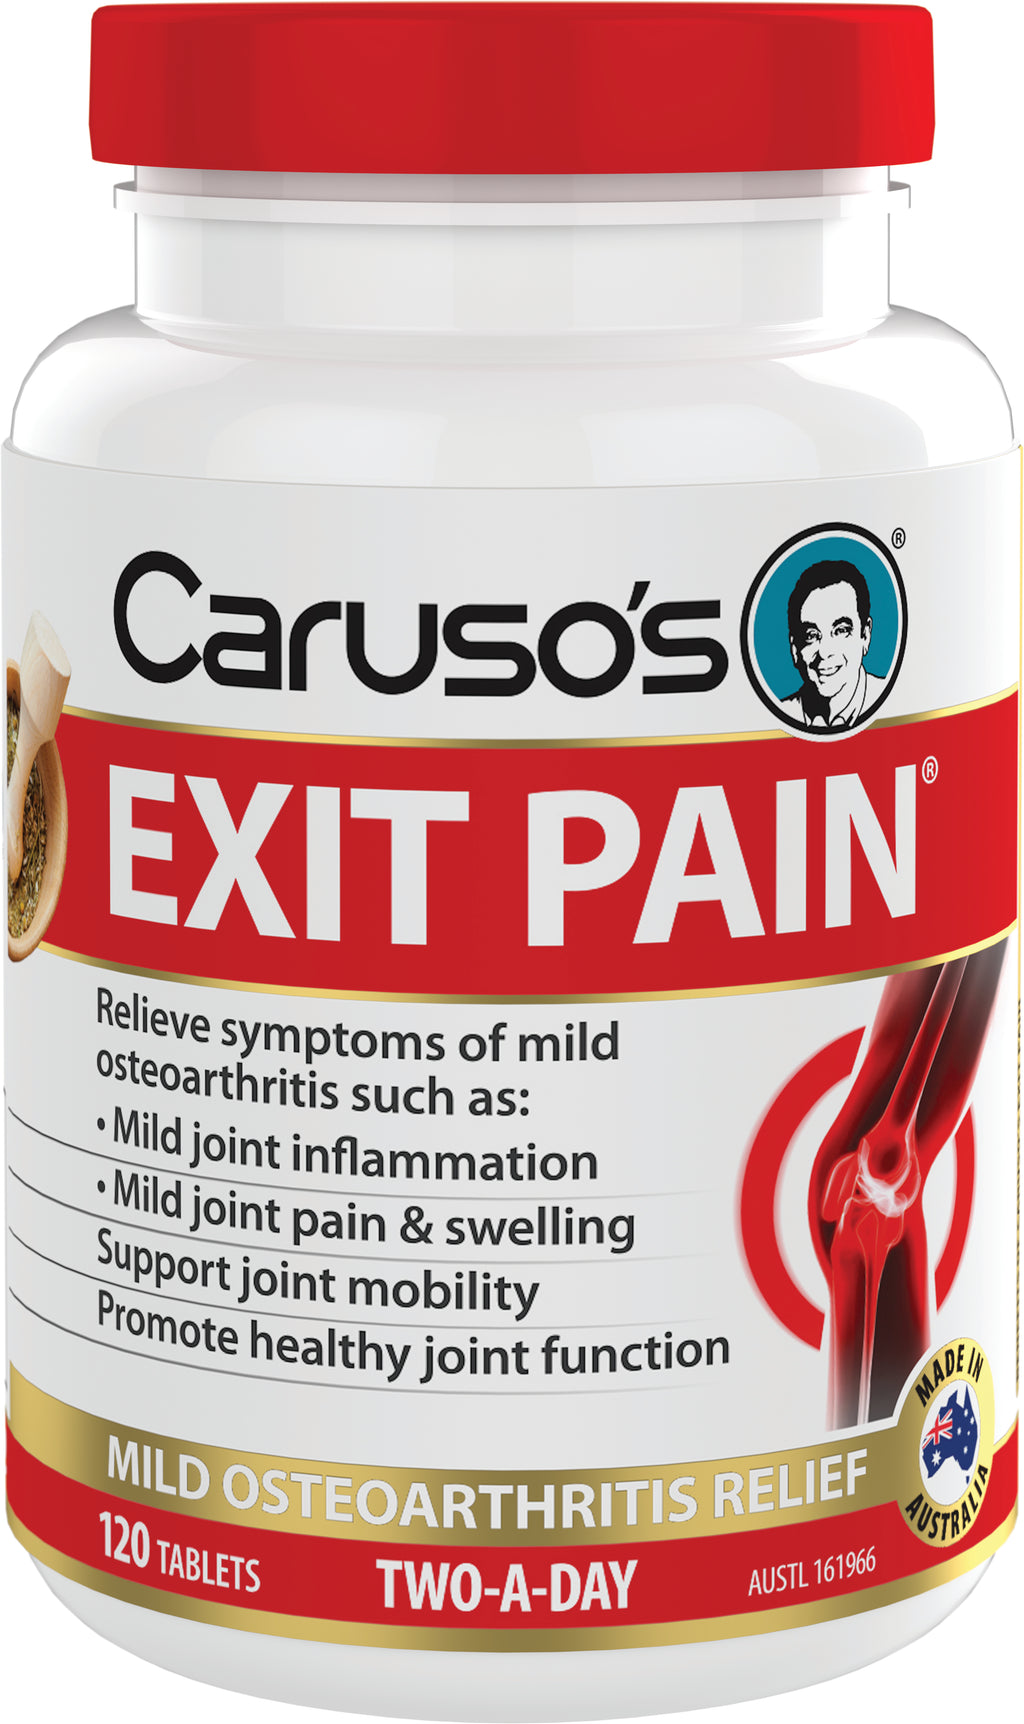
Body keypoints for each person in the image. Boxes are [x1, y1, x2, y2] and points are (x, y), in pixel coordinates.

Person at [780, 559, 888, 729]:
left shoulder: (898, 699)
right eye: (811, 635)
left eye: (840, 631)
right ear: (794, 650)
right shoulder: (777, 716)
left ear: (865, 635)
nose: (825, 652)